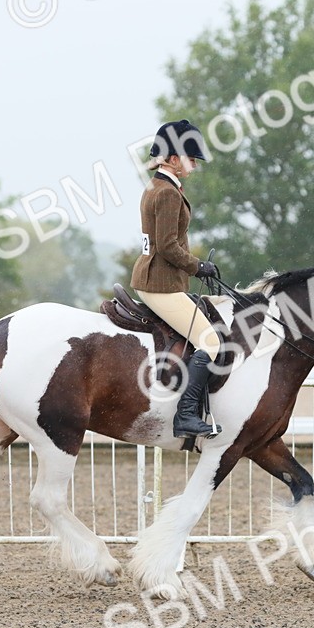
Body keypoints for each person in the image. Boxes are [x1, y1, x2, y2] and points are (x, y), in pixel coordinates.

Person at [130, 119, 223, 439]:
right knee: (210, 341)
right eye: (190, 157)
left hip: (158, 278)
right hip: (160, 283)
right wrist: (198, 267)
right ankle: (185, 416)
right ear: (171, 159)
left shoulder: (158, 186)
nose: (194, 164)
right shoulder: (167, 193)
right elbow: (168, 246)